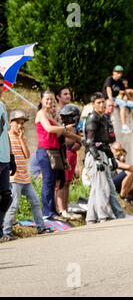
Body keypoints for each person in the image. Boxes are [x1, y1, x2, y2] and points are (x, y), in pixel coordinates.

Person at [2, 111, 53, 241]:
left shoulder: (21, 138)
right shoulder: (7, 137)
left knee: (35, 201)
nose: (20, 126)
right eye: (17, 123)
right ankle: (6, 231)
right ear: (10, 123)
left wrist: (21, 139)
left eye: (22, 123)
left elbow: (26, 155)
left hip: (25, 177)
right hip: (14, 178)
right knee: (13, 205)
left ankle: (41, 227)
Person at [35, 90, 80, 218]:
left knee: (55, 182)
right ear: (41, 100)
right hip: (44, 151)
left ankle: (52, 211)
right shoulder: (41, 114)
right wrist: (65, 128)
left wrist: (78, 138)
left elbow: (61, 133)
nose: (49, 102)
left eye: (51, 100)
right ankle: (47, 212)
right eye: (47, 99)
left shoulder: (50, 115)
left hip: (54, 152)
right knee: (48, 182)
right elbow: (49, 129)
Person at [84, 92, 122, 224]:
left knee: (99, 187)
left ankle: (91, 218)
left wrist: (111, 158)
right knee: (101, 187)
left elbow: (105, 143)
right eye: (98, 103)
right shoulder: (92, 119)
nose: (101, 105)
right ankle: (103, 216)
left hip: (102, 154)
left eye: (102, 102)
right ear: (93, 105)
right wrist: (97, 159)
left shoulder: (103, 118)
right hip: (94, 155)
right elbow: (90, 142)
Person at [54, 86, 83, 219]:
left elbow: (79, 131)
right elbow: (58, 133)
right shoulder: (56, 113)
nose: (68, 96)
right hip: (62, 151)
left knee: (67, 182)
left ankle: (65, 209)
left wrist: (78, 142)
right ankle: (59, 210)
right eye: (64, 94)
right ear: (58, 97)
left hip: (72, 152)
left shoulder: (75, 111)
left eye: (69, 93)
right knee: (60, 182)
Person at [102, 65, 133, 134]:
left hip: (115, 99)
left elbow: (125, 91)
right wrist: (111, 100)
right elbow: (108, 89)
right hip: (108, 98)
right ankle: (124, 126)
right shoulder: (109, 79)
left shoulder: (119, 81)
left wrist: (130, 99)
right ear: (113, 72)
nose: (119, 75)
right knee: (123, 104)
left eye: (120, 73)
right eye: (117, 73)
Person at [0, 77, 17, 240]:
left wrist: (11, 156)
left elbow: (6, 133)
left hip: (4, 157)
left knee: (6, 196)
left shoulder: (2, 106)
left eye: (1, 85)